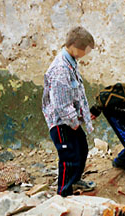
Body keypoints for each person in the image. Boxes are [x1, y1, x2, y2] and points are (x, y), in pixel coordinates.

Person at [42, 26, 96, 197]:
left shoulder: (71, 63)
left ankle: (75, 179)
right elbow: (61, 104)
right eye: (84, 50)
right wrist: (73, 123)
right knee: (69, 158)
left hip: (70, 120)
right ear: (73, 46)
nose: (85, 54)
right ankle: (63, 194)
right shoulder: (60, 69)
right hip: (61, 122)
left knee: (82, 148)